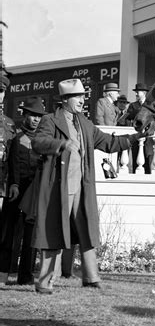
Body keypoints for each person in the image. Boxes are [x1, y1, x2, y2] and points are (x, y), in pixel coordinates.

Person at [31, 79, 143, 294]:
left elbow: (110, 144)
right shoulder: (50, 120)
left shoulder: (85, 123)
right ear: (65, 100)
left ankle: (91, 278)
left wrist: (137, 137)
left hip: (82, 187)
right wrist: (60, 144)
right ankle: (45, 283)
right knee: (52, 232)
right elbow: (38, 143)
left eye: (83, 96)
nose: (83, 100)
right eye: (78, 97)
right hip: (58, 189)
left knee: (86, 230)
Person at [0, 97, 46, 285]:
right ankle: (2, 274)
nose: (35, 119)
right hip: (15, 190)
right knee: (6, 233)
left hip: (34, 193)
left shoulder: (43, 141)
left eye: (38, 116)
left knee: (30, 236)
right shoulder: (16, 137)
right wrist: (13, 185)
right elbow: (11, 166)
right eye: (32, 115)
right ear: (24, 114)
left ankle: (25, 277)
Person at [0, 70, 17, 285]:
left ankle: (2, 275)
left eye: (2, 92)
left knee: (3, 232)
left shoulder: (9, 124)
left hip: (3, 185)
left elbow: (12, 158)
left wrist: (13, 182)